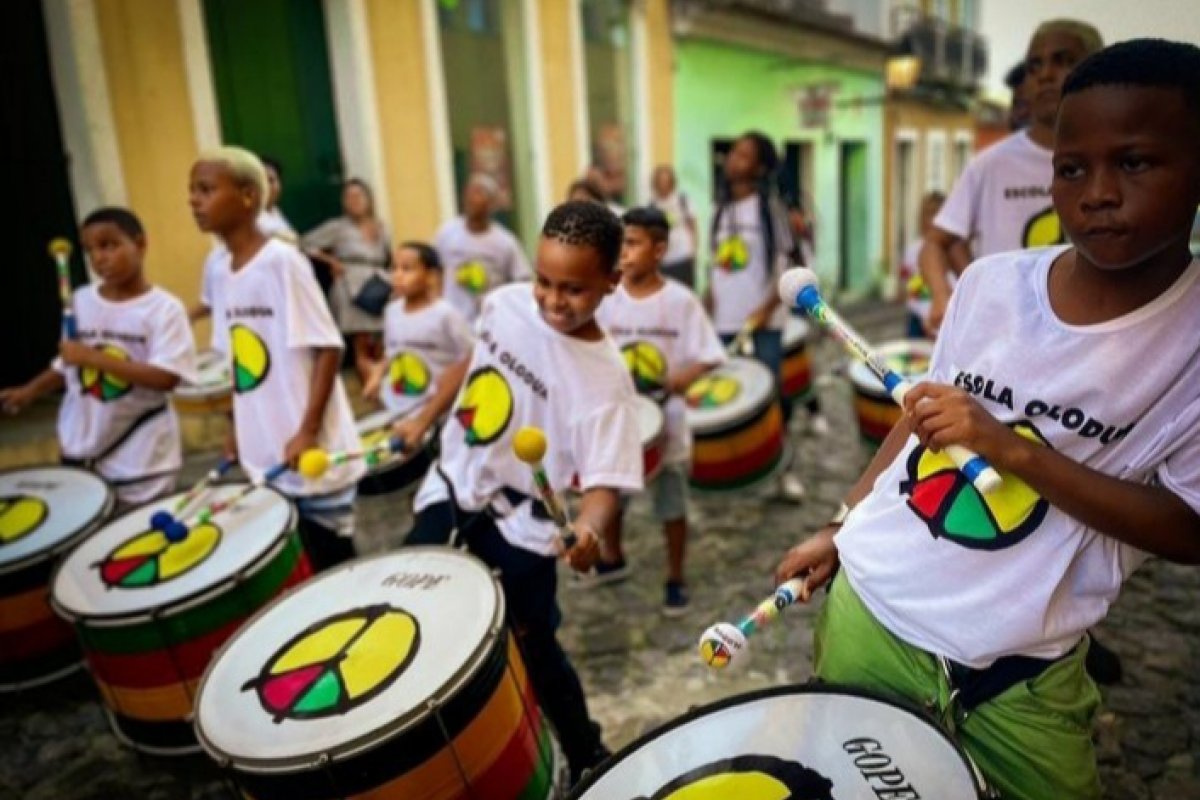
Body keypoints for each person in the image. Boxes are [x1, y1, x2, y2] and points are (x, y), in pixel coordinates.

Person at [775, 39, 1200, 800]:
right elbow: (919, 421)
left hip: (1024, 670)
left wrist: (1012, 450)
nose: (1097, 192)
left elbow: (1191, 530)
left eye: (1134, 162)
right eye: (1071, 169)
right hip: (872, 608)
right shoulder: (990, 284)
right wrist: (843, 528)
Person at [399, 200, 643, 787]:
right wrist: (425, 415)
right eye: (544, 280)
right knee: (414, 615)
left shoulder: (605, 379)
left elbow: (605, 483)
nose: (553, 300)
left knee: (532, 647)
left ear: (612, 281)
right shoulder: (505, 304)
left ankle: (586, 751)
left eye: (574, 289)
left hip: (525, 531)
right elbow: (471, 362)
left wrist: (587, 530)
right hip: (452, 489)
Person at [190, 146, 364, 572]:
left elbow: (327, 348)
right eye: (191, 192)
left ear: (249, 196)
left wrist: (306, 431)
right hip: (265, 454)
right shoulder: (220, 270)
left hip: (309, 453)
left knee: (332, 570)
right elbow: (237, 362)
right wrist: (237, 427)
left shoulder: (282, 262)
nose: (194, 201)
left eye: (206, 189)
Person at [919, 20, 1104, 335]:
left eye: (1063, 61)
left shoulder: (1115, 161)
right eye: (1035, 66)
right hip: (1006, 340)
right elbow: (936, 243)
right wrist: (943, 297)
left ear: (1098, 70)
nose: (1045, 74)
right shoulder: (990, 165)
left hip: (1092, 335)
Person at [1, 208, 195, 507]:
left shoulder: (165, 310)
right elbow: (68, 362)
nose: (98, 258)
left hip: (140, 461)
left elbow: (165, 377)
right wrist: (30, 392)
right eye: (90, 250)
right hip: (81, 449)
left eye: (108, 245)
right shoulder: (80, 301)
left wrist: (92, 357)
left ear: (140, 244)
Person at [591, 207, 725, 612]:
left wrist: (685, 377)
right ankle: (612, 557)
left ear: (659, 249)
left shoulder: (681, 302)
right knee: (610, 494)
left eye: (632, 243)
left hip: (666, 421)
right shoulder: (606, 299)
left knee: (671, 502)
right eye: (620, 244)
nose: (624, 252)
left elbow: (710, 356)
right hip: (619, 420)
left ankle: (675, 575)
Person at [708, 130, 806, 501]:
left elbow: (785, 266)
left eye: (744, 155)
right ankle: (745, 469)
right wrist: (707, 306)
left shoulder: (771, 209)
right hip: (724, 323)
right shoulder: (720, 210)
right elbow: (715, 268)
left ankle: (786, 473)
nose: (734, 159)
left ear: (761, 166)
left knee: (771, 398)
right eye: (733, 152)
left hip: (762, 323)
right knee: (732, 397)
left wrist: (765, 310)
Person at [361, 242, 474, 417]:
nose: (398, 276)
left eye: (407, 269)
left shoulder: (445, 314)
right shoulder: (392, 311)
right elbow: (393, 352)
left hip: (435, 411)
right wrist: (377, 375)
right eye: (394, 268)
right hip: (398, 408)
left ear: (431, 276)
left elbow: (471, 356)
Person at [302, 178, 392, 384]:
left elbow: (388, 256)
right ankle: (372, 394)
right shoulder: (337, 227)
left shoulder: (381, 226)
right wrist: (330, 261)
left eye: (359, 195)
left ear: (369, 198)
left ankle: (384, 390)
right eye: (349, 197)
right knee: (361, 345)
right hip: (351, 285)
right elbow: (304, 243)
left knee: (381, 343)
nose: (354, 201)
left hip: (377, 285)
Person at [435, 173, 531, 324]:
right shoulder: (447, 232)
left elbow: (522, 279)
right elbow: (434, 269)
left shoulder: (505, 241)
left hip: (489, 319)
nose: (472, 200)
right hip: (453, 317)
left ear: (492, 204)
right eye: (470, 194)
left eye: (480, 194)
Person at [897, 192, 945, 338]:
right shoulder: (913, 251)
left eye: (937, 214)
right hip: (919, 319)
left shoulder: (952, 251)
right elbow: (912, 289)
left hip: (944, 319)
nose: (932, 220)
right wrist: (925, 315)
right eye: (928, 215)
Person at [649, 165, 698, 289]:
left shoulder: (683, 201)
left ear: (672, 182)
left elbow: (693, 227)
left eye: (666, 181)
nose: (663, 184)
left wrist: (694, 252)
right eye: (660, 181)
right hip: (663, 262)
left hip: (683, 258)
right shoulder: (652, 206)